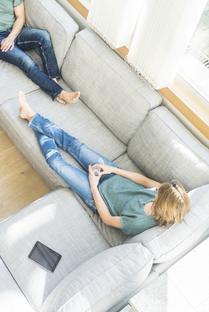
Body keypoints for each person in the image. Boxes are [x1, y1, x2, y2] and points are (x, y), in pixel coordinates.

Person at [17, 91, 191, 236]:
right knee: (73, 144)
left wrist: (93, 185)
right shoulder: (162, 192)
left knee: (57, 164)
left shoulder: (138, 223)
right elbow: (144, 181)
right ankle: (32, 116)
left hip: (98, 196)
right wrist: (113, 169)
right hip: (111, 175)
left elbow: (107, 219)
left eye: (160, 194)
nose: (159, 191)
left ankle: (32, 120)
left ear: (163, 205)